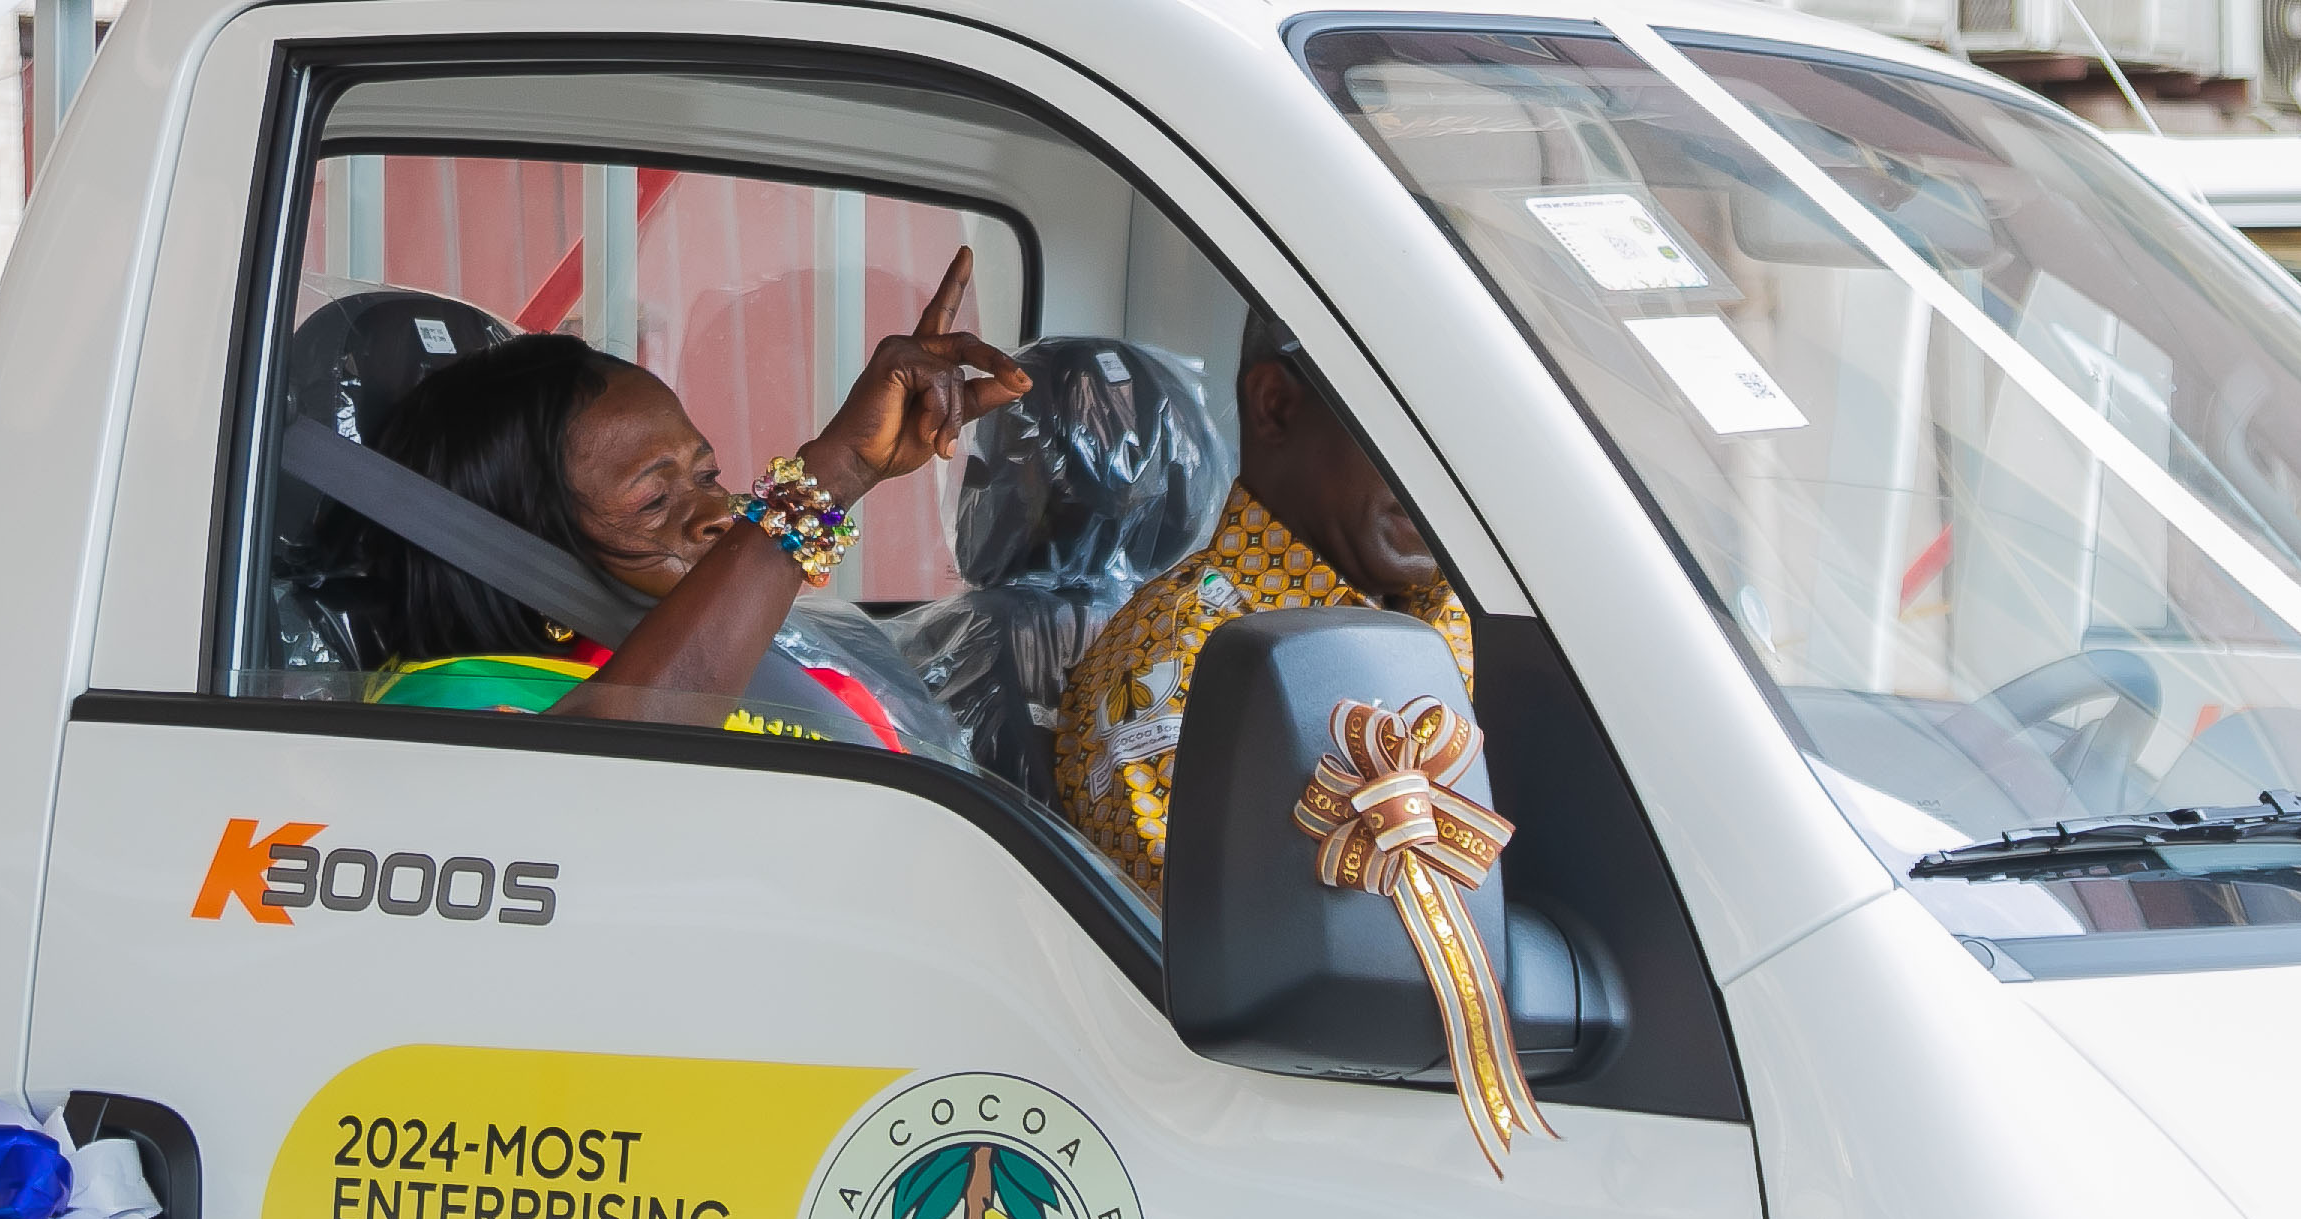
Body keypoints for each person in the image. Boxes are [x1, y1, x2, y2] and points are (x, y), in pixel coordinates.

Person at [364, 252, 1026, 746]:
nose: (717, 516)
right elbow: (600, 771)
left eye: (706, 477)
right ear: (519, 555)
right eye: (654, 502)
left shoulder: (782, 650)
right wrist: (840, 467)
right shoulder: (447, 707)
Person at [1052, 316, 1474, 899]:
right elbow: (1229, 963)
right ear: (1276, 406)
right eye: (1408, 421)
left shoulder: (1460, 620)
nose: (1449, 471)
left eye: (1470, 431)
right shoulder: (1182, 664)